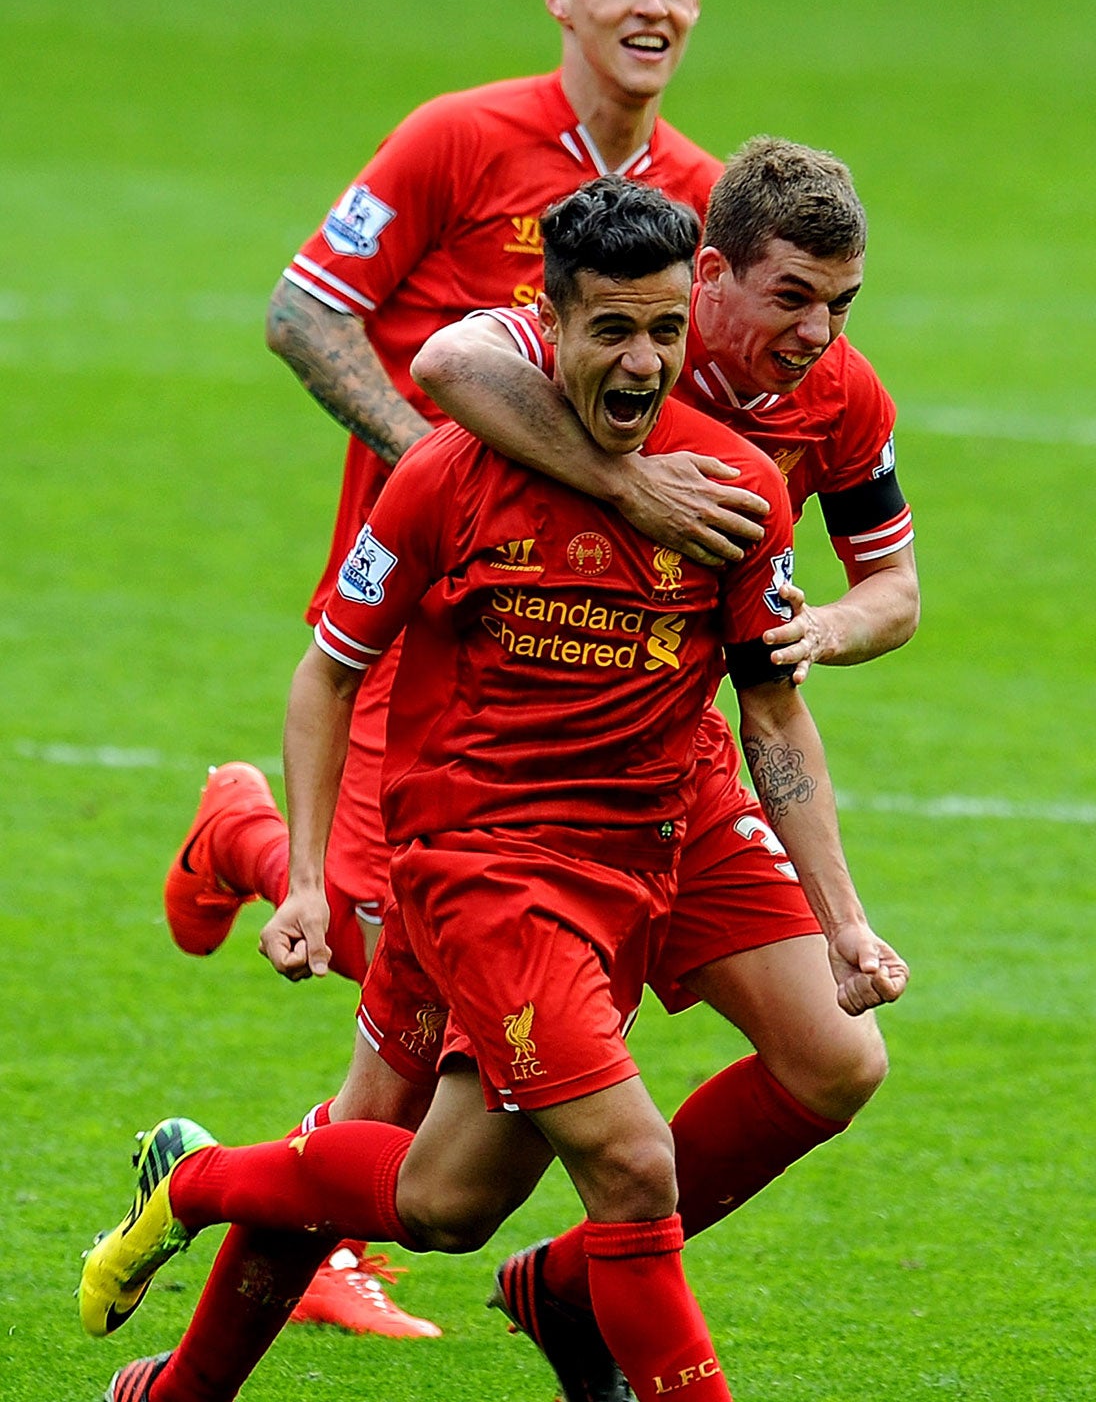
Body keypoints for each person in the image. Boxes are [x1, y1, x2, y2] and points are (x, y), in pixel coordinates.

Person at [85, 180, 906, 1402]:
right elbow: (332, 666)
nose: (641, 358)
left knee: (446, 1196)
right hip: (487, 864)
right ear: (552, 322)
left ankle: (194, 1227)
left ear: (692, 305)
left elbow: (776, 706)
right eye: (610, 330)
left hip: (658, 838)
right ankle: (571, 1282)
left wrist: (845, 919)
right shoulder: (452, 468)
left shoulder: (747, 480)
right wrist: (308, 877)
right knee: (630, 1166)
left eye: (660, 332)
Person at [156, 0, 760, 1337]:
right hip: (419, 614)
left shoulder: (690, 191)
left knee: (430, 992)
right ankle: (243, 836)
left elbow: (708, 394)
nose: (651, 9)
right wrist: (454, 474)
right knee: (396, 945)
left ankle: (286, 1218)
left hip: (568, 649)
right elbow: (308, 314)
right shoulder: (456, 137)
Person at [409, 136, 919, 1396]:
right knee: (414, 1165)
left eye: (840, 305)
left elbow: (893, 588)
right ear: (712, 273)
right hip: (514, 766)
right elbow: (448, 358)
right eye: (790, 298)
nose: (815, 333)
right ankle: (198, 1198)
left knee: (837, 1059)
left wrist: (819, 629)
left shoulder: (842, 400)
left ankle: (579, 1280)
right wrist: (629, 489)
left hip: (687, 767)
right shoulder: (620, 326)